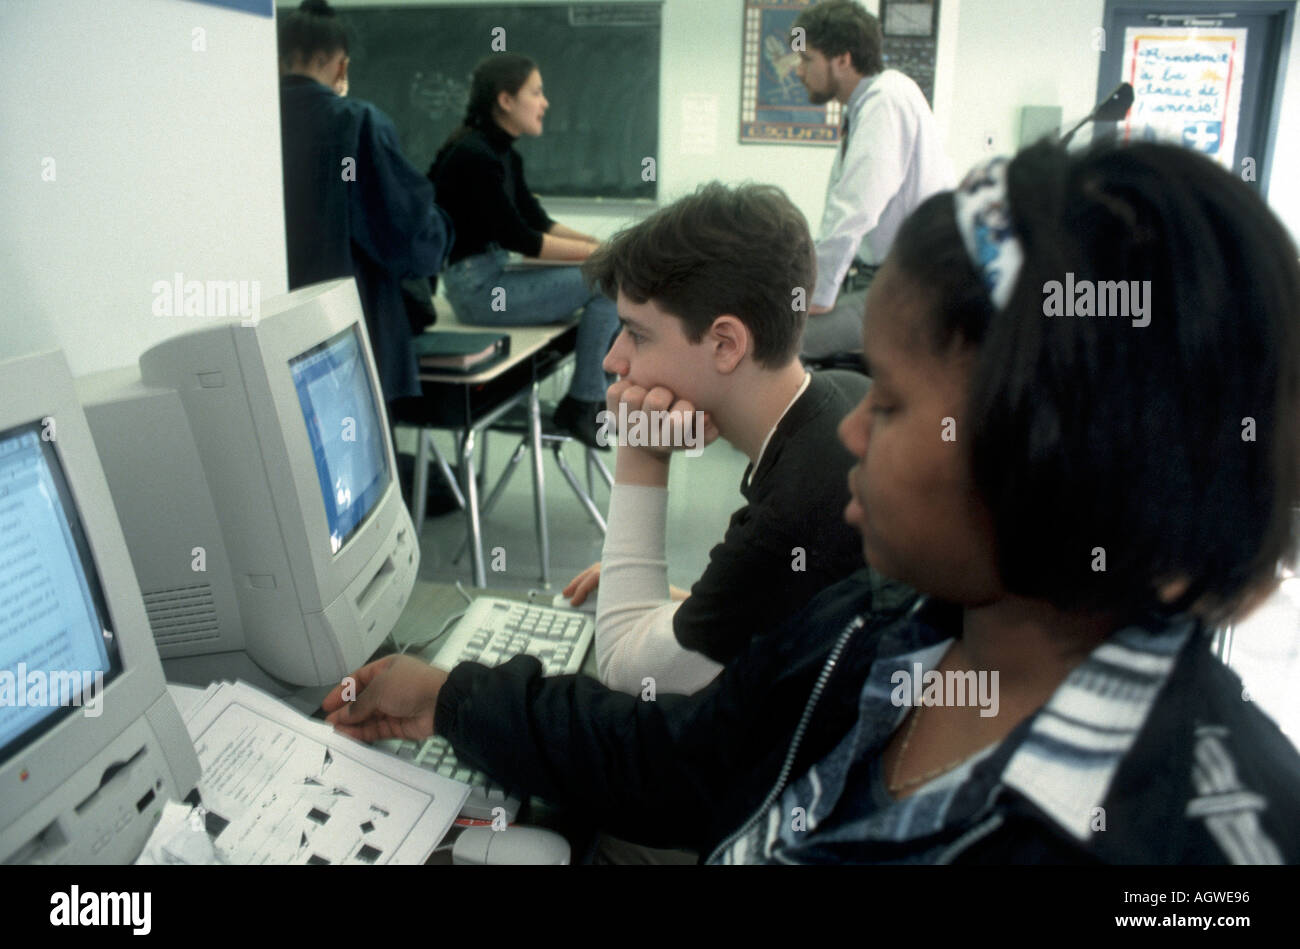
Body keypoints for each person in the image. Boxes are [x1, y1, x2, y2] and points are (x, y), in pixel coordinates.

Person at [323, 139, 1300, 864]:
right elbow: (684, 760)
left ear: (1052, 455)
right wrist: (449, 694)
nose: (851, 432)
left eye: (892, 400)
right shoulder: (892, 626)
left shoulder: (1192, 850)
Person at [556, 182, 867, 695]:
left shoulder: (792, 518)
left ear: (725, 344)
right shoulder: (845, 397)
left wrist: (643, 452)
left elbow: (627, 672)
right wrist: (697, 610)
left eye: (637, 332)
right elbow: (774, 614)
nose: (613, 361)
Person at [429, 54, 619, 448]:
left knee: (614, 277)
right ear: (505, 100)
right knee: (610, 282)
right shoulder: (474, 155)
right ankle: (585, 402)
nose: (545, 102)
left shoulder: (502, 153)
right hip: (479, 291)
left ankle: (592, 398)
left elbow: (539, 221)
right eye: (536, 92)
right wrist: (606, 260)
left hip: (490, 275)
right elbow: (524, 240)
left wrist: (603, 248)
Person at [277, 0, 451, 405]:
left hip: (271, 333)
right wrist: (442, 230)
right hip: (348, 333)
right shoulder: (356, 123)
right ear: (341, 67)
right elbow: (408, 236)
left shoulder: (248, 121)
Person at [792, 0, 952, 358]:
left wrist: (816, 296)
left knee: (780, 345)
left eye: (807, 59)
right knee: (777, 325)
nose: (799, 71)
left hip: (910, 289)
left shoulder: (885, 101)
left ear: (842, 60)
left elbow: (855, 209)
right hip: (883, 278)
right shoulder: (872, 102)